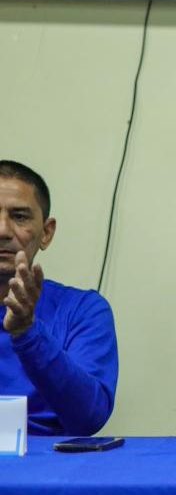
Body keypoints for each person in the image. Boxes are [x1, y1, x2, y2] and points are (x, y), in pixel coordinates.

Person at [0, 160, 118, 435]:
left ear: (46, 232)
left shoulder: (83, 310)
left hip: (46, 470)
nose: (3, 230)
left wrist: (27, 334)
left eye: (19, 216)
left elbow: (89, 417)